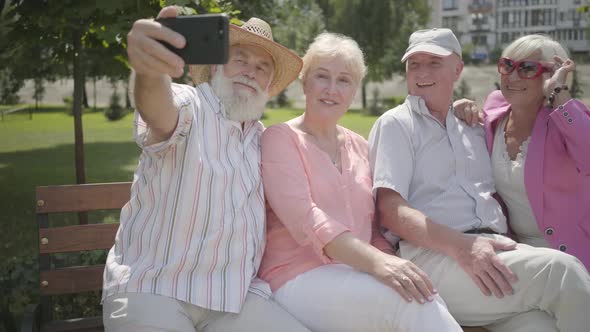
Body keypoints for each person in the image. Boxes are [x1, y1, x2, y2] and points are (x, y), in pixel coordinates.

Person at [101, 6, 311, 332]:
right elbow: (159, 112)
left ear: (269, 84)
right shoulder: (190, 105)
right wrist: (149, 69)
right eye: (240, 58)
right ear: (215, 65)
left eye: (262, 67)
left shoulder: (264, 140)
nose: (250, 71)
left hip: (233, 300)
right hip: (152, 288)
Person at [369, 28, 590, 332]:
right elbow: (391, 210)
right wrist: (462, 247)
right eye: (413, 64)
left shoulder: (472, 127)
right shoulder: (396, 124)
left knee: (541, 326)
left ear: (458, 69)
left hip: (497, 249)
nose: (421, 72)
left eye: (434, 62)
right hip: (437, 255)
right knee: (562, 271)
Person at [258, 32, 462, 332]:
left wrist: (392, 261)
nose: (331, 89)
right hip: (295, 276)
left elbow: (373, 228)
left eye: (344, 80)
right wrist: (380, 265)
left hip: (353, 272)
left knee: (425, 294)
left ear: (355, 89)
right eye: (322, 76)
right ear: (305, 81)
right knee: (412, 305)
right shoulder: (279, 139)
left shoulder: (360, 146)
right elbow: (307, 219)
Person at [454, 34, 590, 270]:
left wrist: (558, 91)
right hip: (517, 253)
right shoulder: (495, 109)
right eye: (507, 65)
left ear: (551, 74)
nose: (512, 75)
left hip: (574, 253)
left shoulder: (567, 120)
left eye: (527, 68)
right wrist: (459, 107)